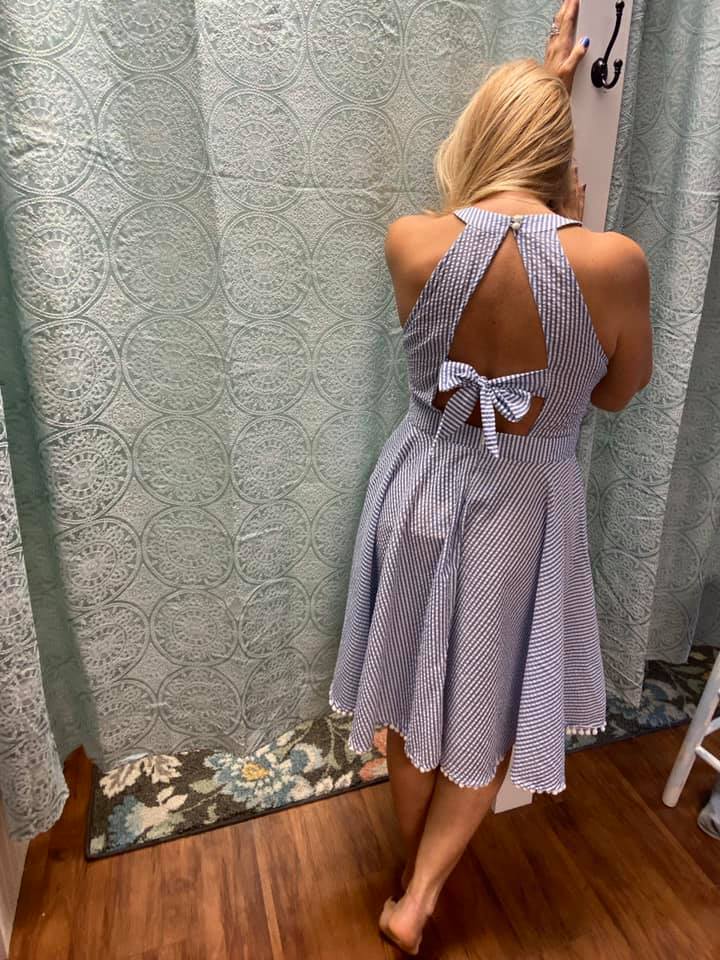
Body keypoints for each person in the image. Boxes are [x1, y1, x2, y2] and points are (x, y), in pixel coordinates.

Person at [328, 0, 653, 953]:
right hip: (525, 504)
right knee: (486, 704)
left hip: (422, 482)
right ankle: (423, 896)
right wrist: (577, 219)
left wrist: (543, 88)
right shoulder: (613, 262)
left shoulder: (411, 240)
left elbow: (496, 240)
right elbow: (615, 395)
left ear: (476, 139)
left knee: (408, 690)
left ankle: (409, 874)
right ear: (559, 156)